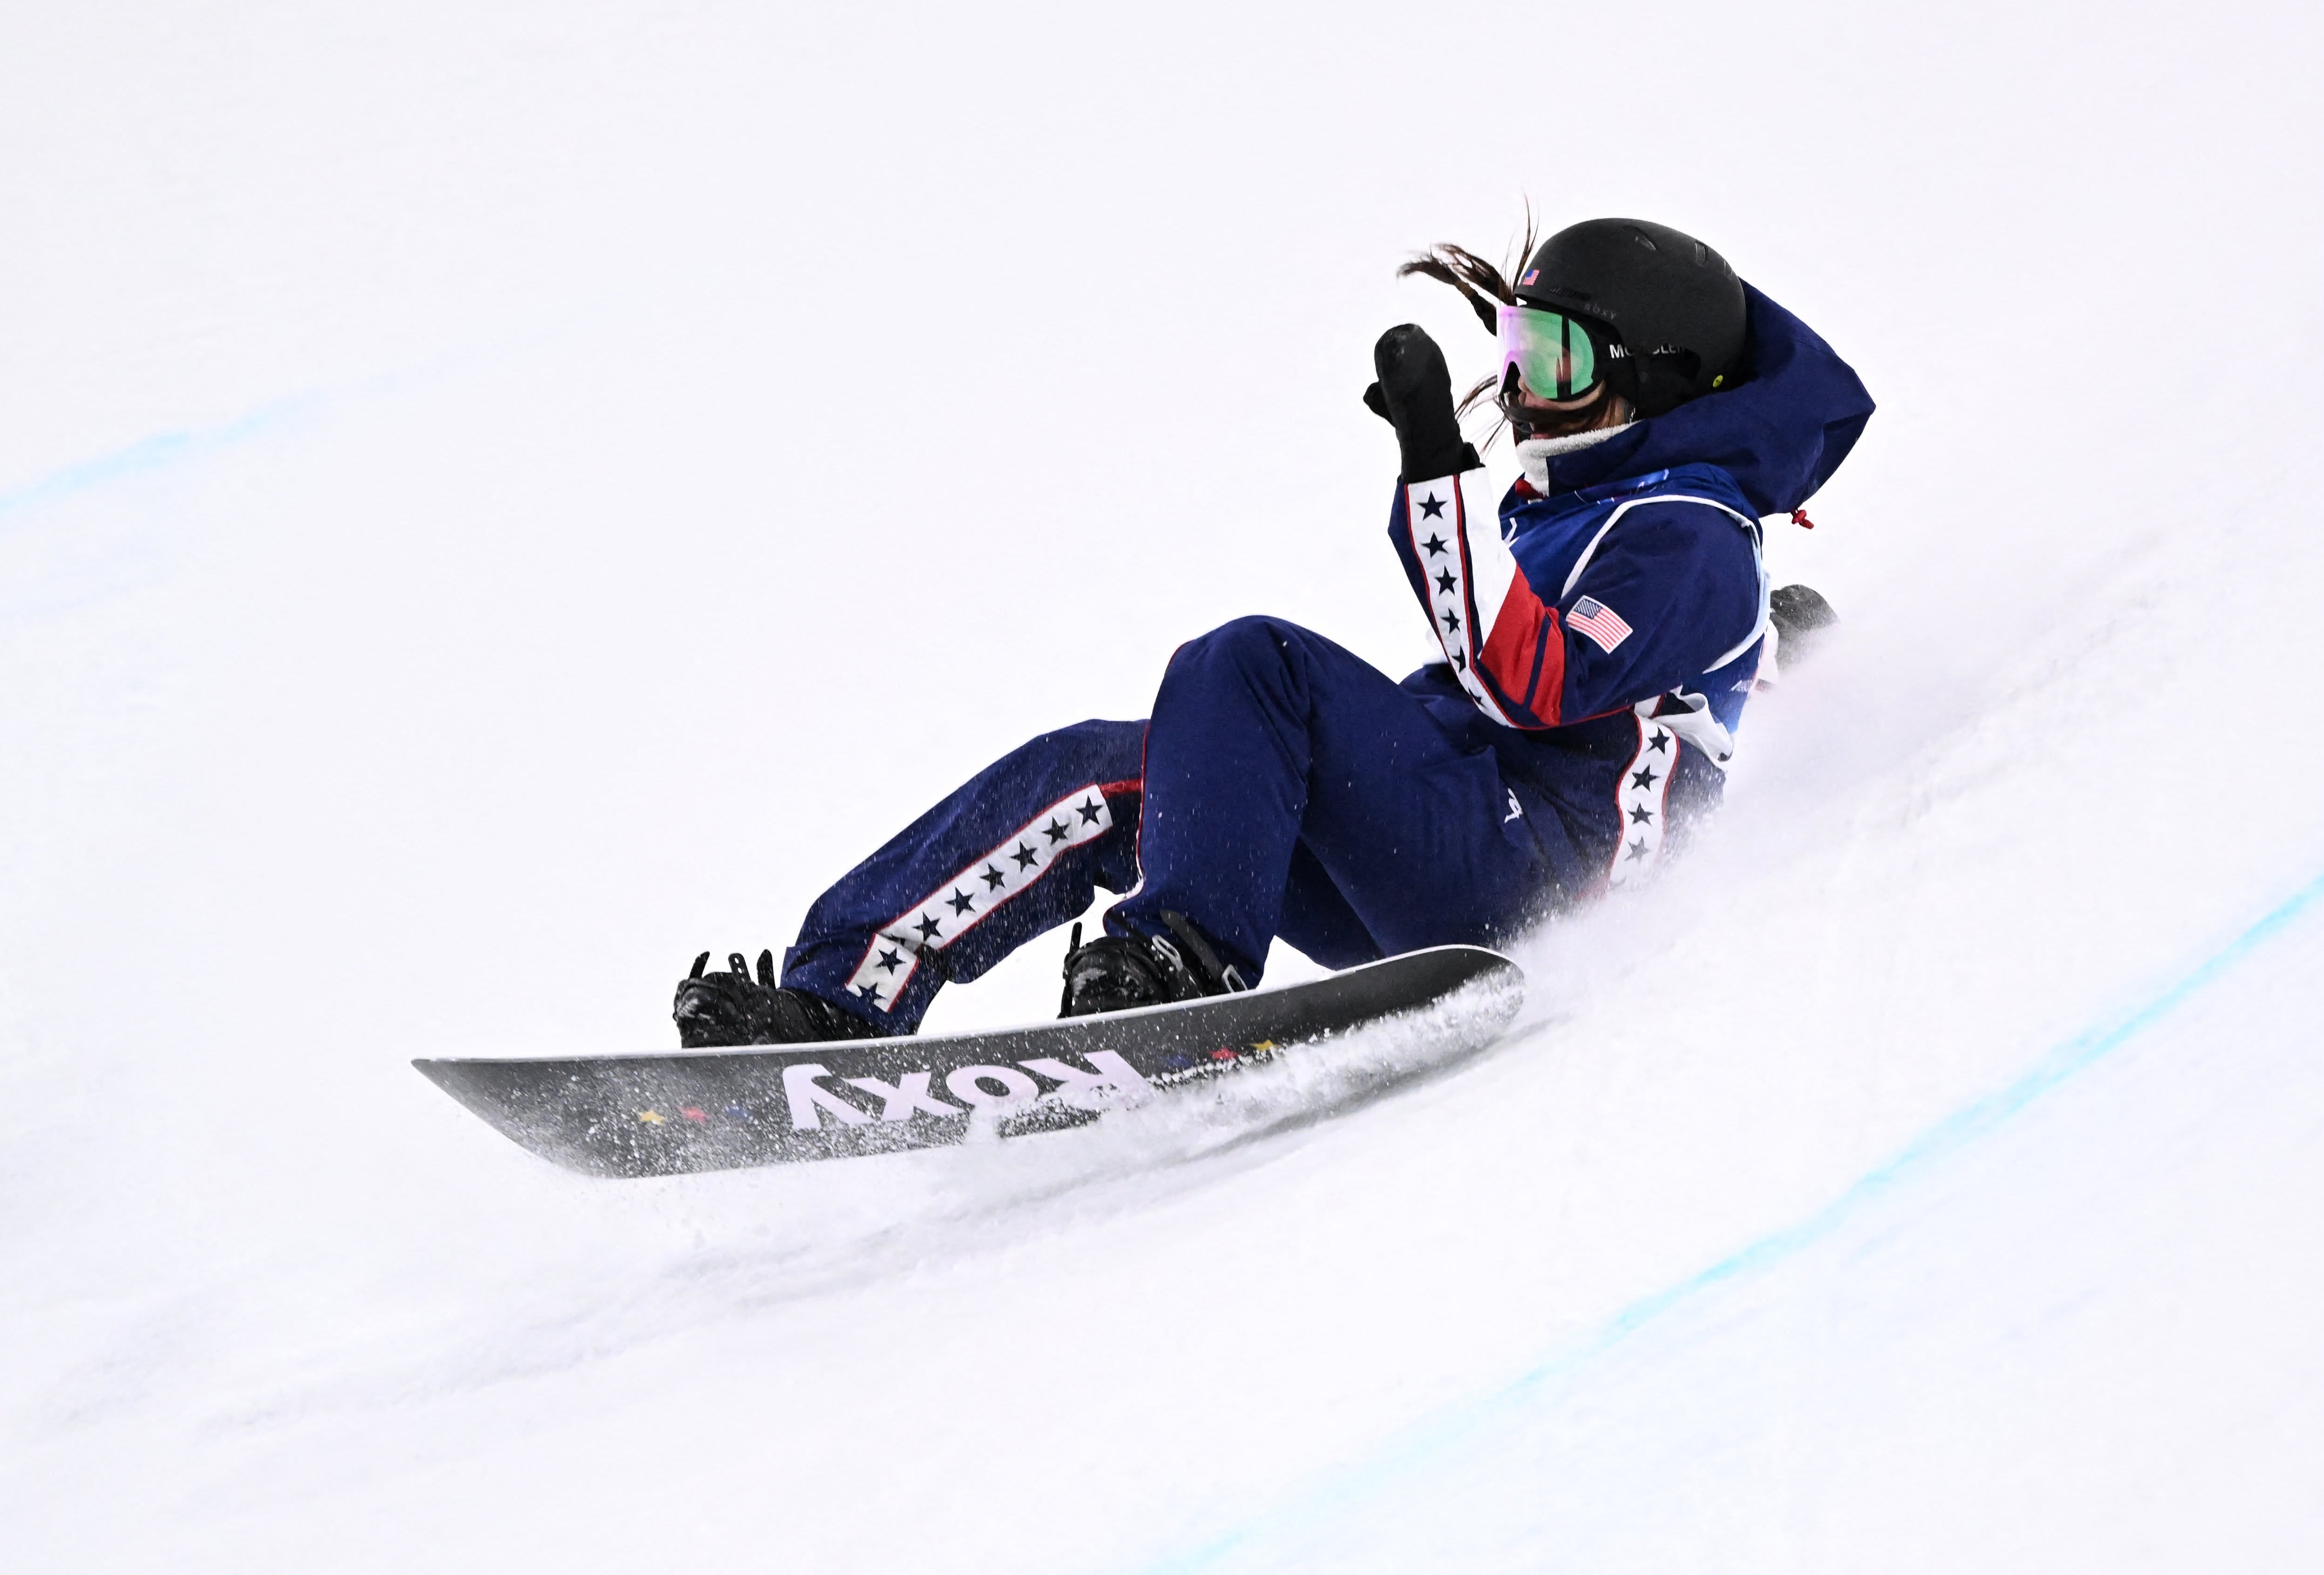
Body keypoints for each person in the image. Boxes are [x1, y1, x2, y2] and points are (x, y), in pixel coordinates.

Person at [673, 217, 1874, 1047]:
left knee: (1253, 663)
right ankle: (833, 1001)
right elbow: (1679, 675)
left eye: (1552, 355)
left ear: (1656, 380)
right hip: (1444, 850)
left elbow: (1537, 679)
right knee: (1137, 761)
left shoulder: (1692, 532)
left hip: (1535, 871)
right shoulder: (1618, 524)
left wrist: (1432, 472)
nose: (1516, 385)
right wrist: (1783, 642)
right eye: (1514, 345)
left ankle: (1181, 958)